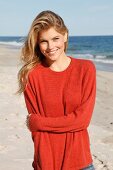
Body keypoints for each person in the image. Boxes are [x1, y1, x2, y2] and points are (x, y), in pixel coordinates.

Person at [17, 10, 96, 170]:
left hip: (81, 162)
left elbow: (82, 120)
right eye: (44, 41)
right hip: (47, 163)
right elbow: (37, 132)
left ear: (65, 36)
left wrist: (40, 122)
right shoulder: (31, 75)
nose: (51, 46)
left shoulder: (85, 69)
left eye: (55, 38)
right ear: (37, 44)